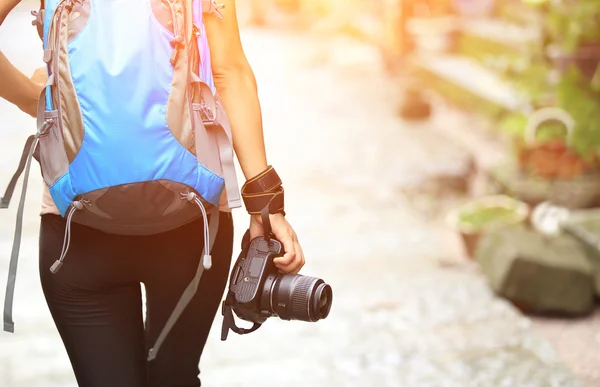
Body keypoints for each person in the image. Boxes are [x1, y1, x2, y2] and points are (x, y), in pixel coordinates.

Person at [0, 0, 305, 386]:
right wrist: (266, 204)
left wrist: (34, 99)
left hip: (75, 233)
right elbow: (231, 72)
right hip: (192, 229)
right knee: (174, 377)